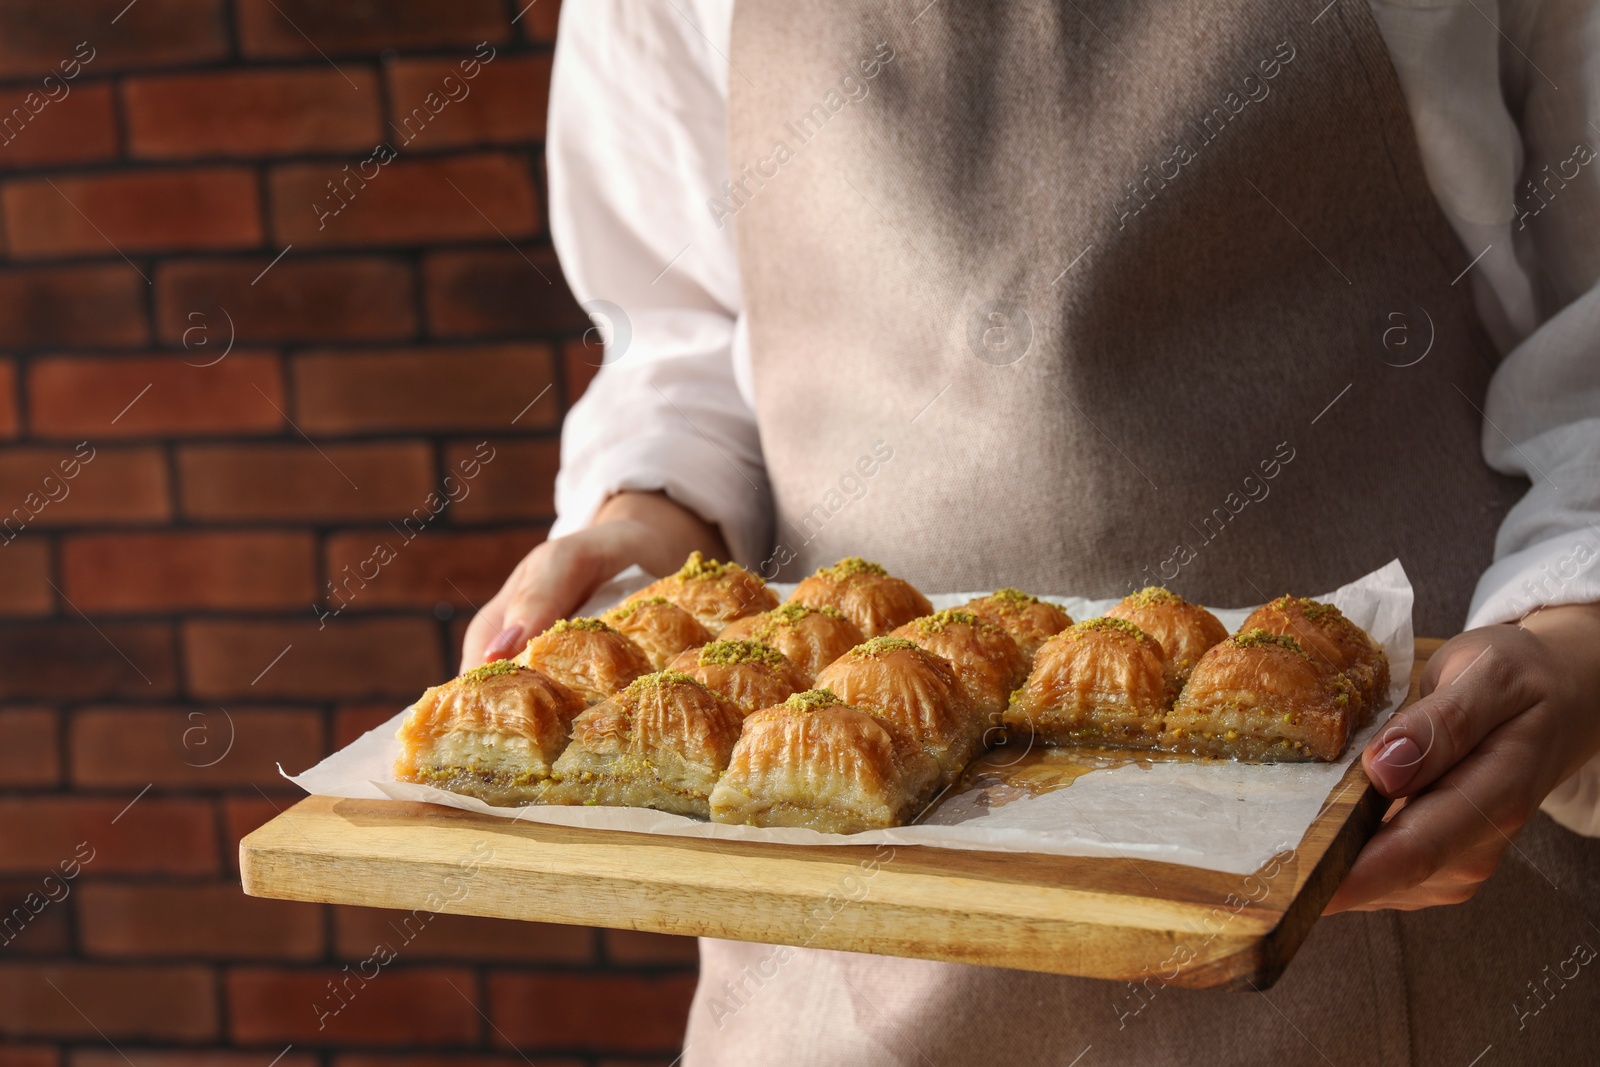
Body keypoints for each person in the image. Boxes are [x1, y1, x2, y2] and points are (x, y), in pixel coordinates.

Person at [464, 1, 1600, 1063]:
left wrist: (1574, 638)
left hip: (1408, 851)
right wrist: (647, 521)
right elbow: (687, 331)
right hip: (845, 916)